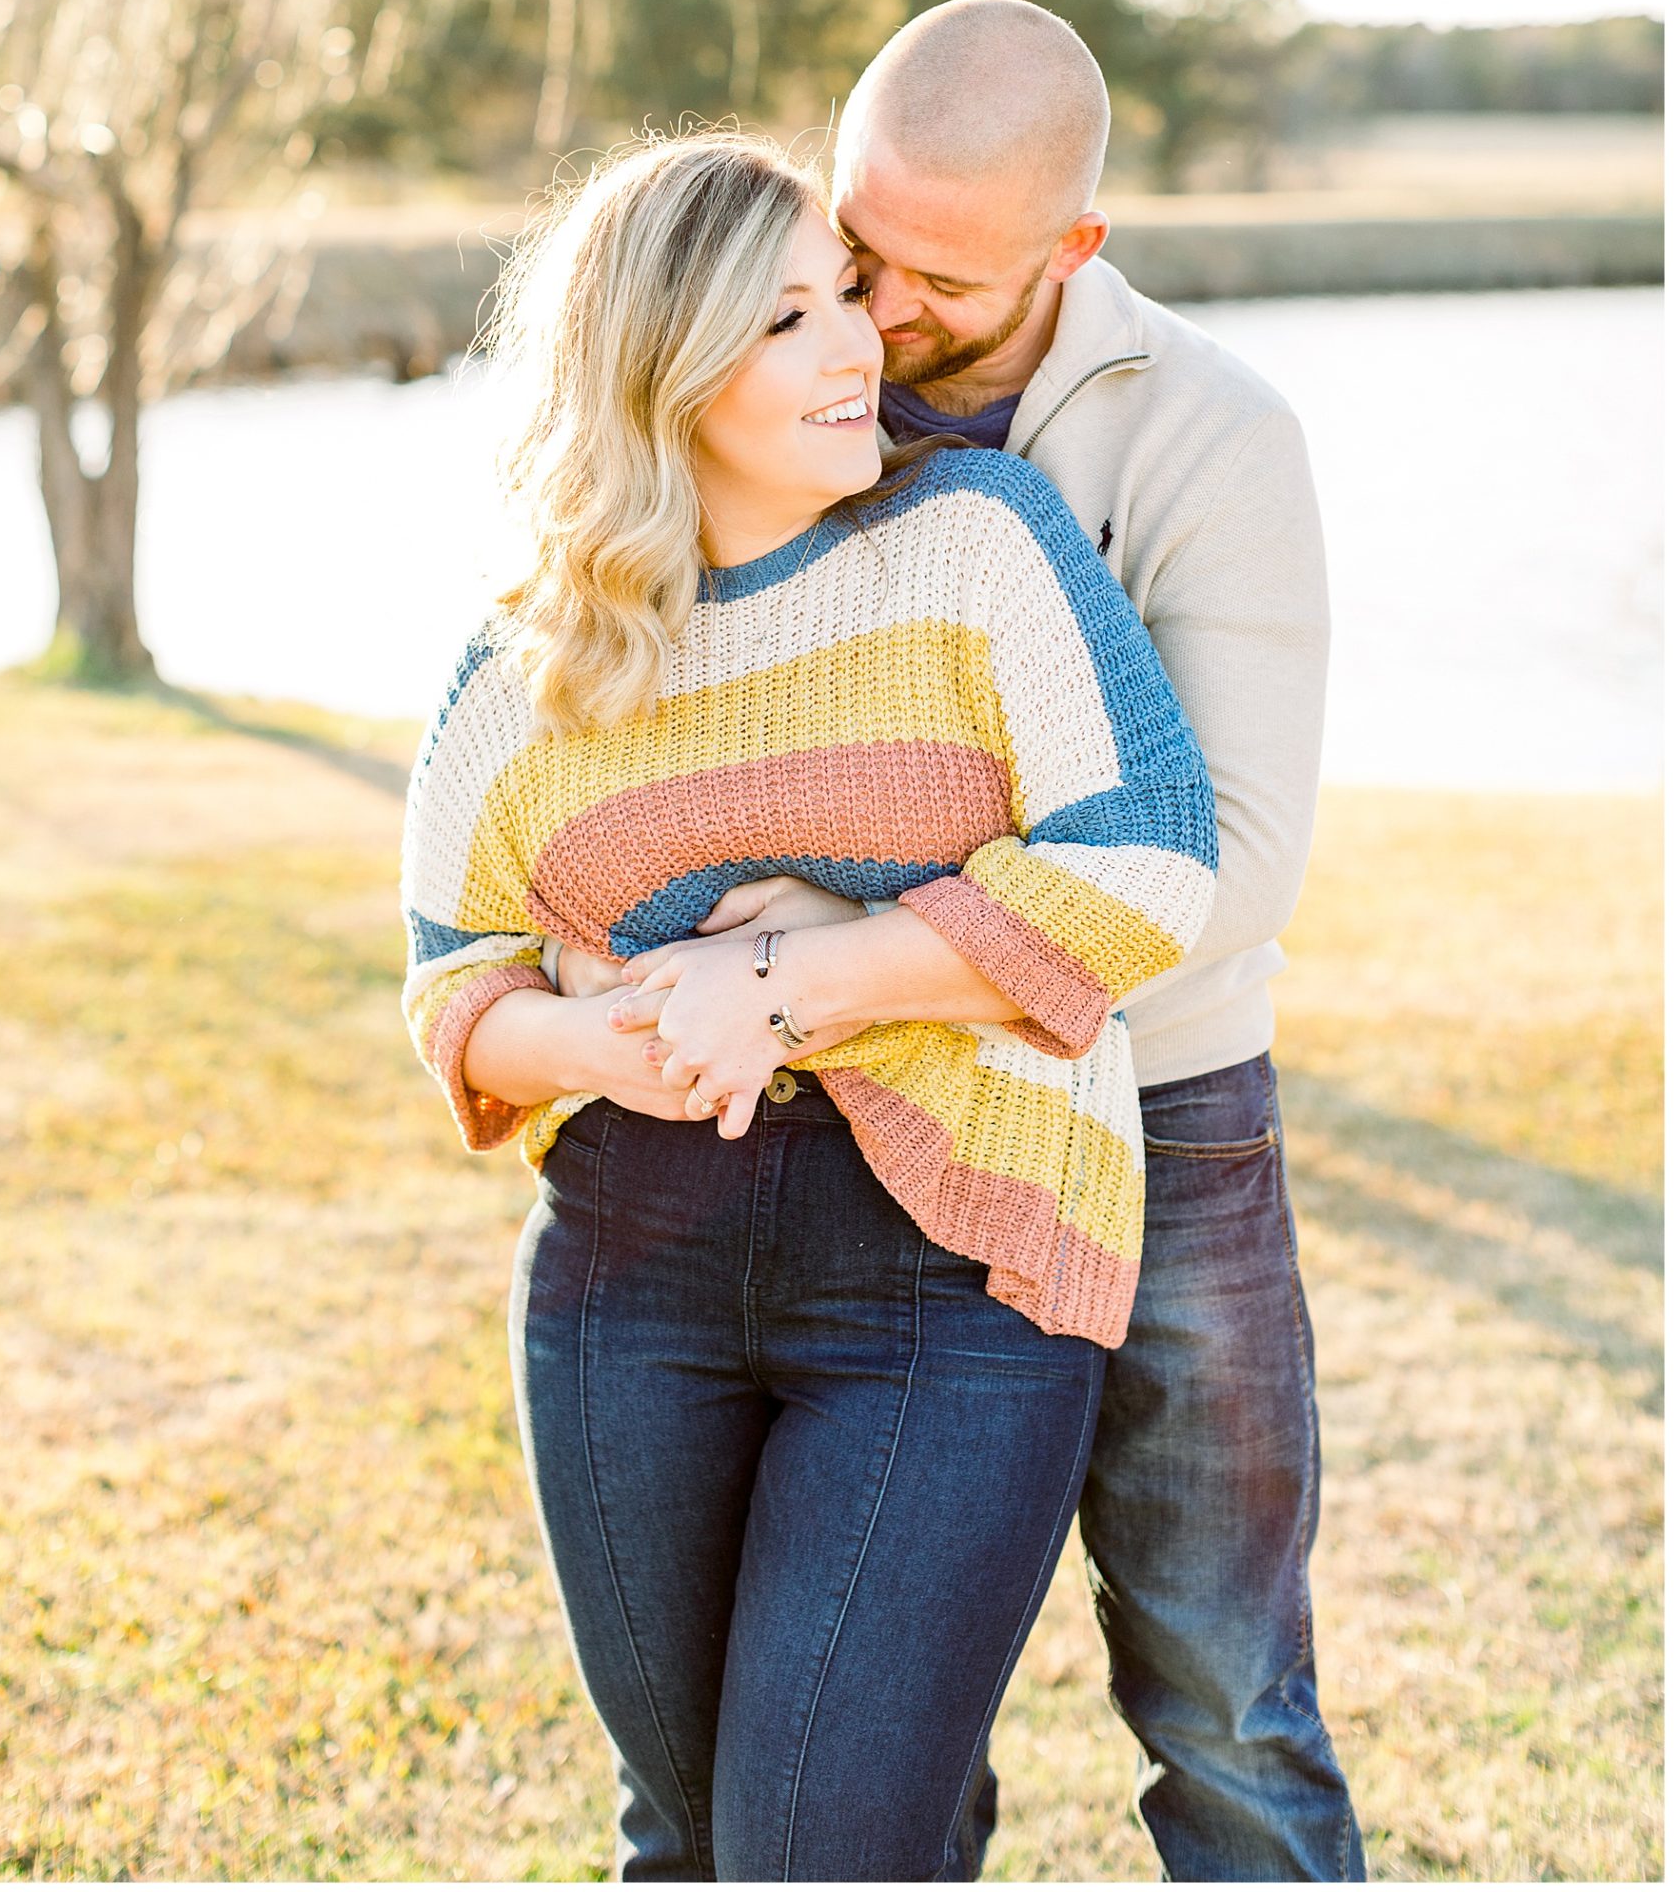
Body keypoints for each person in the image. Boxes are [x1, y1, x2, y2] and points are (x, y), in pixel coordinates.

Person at [399, 133, 1218, 1882]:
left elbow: (1149, 860)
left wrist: (783, 980)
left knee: (817, 1850)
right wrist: (628, 1031)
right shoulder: (532, 656)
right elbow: (452, 983)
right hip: (633, 1276)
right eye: (786, 319)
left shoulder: (974, 547)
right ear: (660, 367)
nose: (857, 345)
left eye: (843, 296)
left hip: (955, 1275)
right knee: (684, 1839)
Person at [627, 0, 1366, 1882]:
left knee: (1222, 1706)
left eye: (932, 276)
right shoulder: (787, 381)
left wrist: (825, 935)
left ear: (1072, 253)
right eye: (851, 244)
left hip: (1172, 1126)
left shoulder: (1211, 436)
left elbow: (1232, 867)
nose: (870, 303)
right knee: (864, 1741)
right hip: (864, 1134)